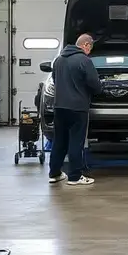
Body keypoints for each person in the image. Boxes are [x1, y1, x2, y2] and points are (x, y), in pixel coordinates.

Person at [48, 33, 102, 186]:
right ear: (86, 45)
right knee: (76, 142)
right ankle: (75, 176)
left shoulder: (58, 60)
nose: (89, 52)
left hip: (59, 107)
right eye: (90, 49)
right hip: (77, 108)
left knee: (59, 141)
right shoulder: (84, 60)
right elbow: (95, 85)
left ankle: (54, 173)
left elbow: (55, 80)